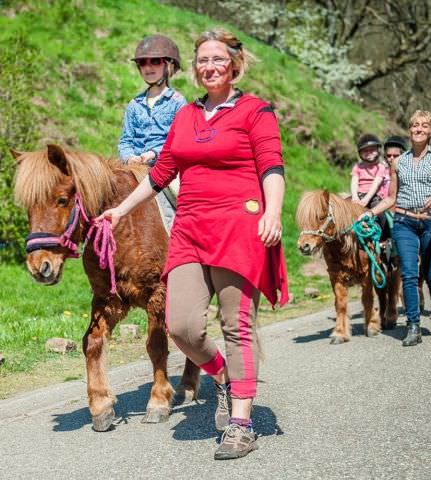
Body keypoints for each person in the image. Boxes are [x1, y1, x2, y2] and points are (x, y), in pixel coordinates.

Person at [97, 28, 288, 460]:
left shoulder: (256, 111)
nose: (209, 66)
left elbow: (272, 166)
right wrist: (122, 210)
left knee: (236, 325)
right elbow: (161, 171)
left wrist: (272, 212)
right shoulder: (186, 117)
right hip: (190, 228)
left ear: (234, 64)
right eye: (203, 59)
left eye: (217, 58)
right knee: (181, 325)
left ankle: (241, 423)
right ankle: (221, 377)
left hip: (239, 227)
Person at [359, 110, 431, 346]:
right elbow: (391, 198)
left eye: (424, 126)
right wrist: (369, 212)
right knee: (409, 274)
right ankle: (413, 326)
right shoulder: (398, 162)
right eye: (415, 125)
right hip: (404, 222)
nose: (419, 129)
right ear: (409, 130)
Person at [118, 35, 187, 166]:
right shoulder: (134, 104)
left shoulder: (178, 103)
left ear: (169, 66)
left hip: (166, 167)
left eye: (155, 61)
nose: (148, 67)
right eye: (143, 63)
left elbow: (180, 141)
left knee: (179, 187)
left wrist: (154, 153)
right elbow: (125, 141)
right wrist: (129, 158)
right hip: (135, 167)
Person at [351, 134, 388, 235]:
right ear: (360, 153)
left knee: (379, 209)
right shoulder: (357, 167)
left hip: (374, 196)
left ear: (378, 150)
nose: (369, 153)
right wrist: (355, 197)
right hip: (358, 195)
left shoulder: (380, 167)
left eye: (372, 150)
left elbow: (376, 184)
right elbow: (354, 182)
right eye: (365, 151)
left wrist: (366, 199)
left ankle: (380, 232)